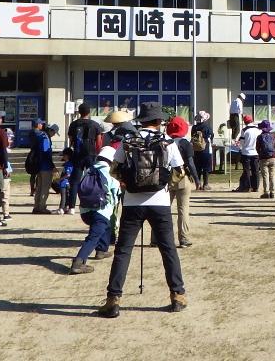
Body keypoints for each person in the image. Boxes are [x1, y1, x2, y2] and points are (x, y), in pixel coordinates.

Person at [98, 102, 187, 317]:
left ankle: (113, 299)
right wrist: (163, 184)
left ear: (141, 121)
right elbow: (180, 172)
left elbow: (114, 169)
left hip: (132, 203)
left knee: (123, 251)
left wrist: (128, 183)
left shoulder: (128, 140)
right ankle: (177, 295)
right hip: (160, 203)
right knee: (168, 250)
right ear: (159, 121)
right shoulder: (167, 141)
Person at [70, 145, 120, 275]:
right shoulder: (110, 172)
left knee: (106, 226)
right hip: (101, 209)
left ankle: (101, 250)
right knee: (93, 236)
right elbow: (116, 192)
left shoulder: (89, 170)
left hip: (85, 210)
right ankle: (78, 262)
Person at [165, 116, 198, 248]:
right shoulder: (185, 143)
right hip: (182, 177)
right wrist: (196, 179)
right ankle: (183, 238)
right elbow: (190, 163)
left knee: (163, 209)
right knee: (183, 209)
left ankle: (156, 238)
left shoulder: (164, 142)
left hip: (167, 177)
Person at [68, 102, 105, 214]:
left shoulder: (74, 124)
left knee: (75, 180)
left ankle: (71, 207)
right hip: (91, 154)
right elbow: (99, 142)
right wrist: (98, 153)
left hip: (78, 154)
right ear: (89, 112)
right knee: (93, 179)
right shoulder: (95, 124)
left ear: (79, 112)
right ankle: (92, 202)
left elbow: (71, 139)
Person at [31, 119, 55, 214]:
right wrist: (52, 165)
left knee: (39, 187)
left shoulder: (36, 135)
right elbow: (46, 152)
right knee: (45, 188)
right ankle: (41, 207)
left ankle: (36, 206)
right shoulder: (44, 137)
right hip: (45, 166)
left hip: (38, 165)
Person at [234, 114, 260, 193]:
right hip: (256, 153)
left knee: (247, 170)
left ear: (245, 122)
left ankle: (248, 187)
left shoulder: (244, 130)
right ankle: (256, 187)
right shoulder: (258, 129)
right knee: (255, 170)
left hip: (246, 153)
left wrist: (238, 144)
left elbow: (241, 143)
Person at [191, 111, 214, 191]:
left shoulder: (194, 127)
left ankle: (198, 184)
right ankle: (206, 184)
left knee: (198, 167)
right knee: (206, 167)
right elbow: (211, 136)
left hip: (196, 149)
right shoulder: (207, 126)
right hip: (205, 149)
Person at [256, 119, 275, 199]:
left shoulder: (259, 137)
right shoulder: (273, 136)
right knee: (272, 175)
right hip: (273, 157)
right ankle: (273, 192)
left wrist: (260, 154)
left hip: (263, 158)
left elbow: (257, 148)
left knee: (265, 176)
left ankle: (266, 192)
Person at [0, 129, 14, 221]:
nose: (11, 141)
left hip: (6, 173)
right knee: (4, 194)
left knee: (4, 194)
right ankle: (5, 213)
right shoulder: (4, 150)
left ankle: (4, 213)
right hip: (4, 174)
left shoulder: (6, 149)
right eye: (9, 139)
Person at [55, 148, 75, 214]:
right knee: (67, 196)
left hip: (64, 182)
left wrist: (59, 179)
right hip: (67, 183)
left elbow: (68, 174)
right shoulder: (69, 163)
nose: (63, 156)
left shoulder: (68, 164)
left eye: (64, 155)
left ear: (67, 156)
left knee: (63, 196)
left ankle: (61, 208)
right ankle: (65, 207)